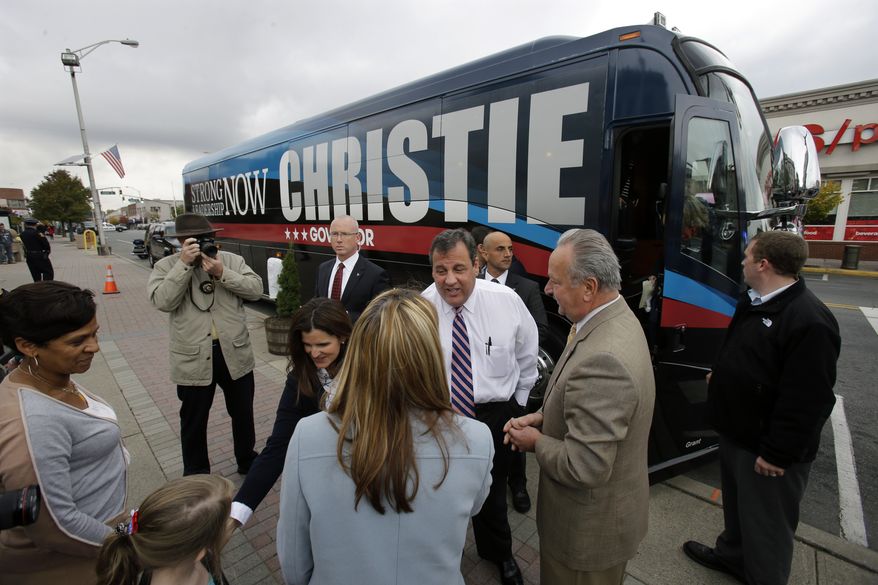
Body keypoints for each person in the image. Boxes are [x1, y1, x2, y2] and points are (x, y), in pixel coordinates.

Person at [276, 288, 493, 585]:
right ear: (431, 353)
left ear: (358, 353)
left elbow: (294, 555)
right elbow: (474, 505)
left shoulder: (308, 436)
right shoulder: (477, 439)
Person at [683, 231, 841, 585]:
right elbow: (748, 355)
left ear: (763, 264)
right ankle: (733, 556)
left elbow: (809, 400)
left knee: (767, 526)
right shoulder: (754, 300)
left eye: (746, 256)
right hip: (738, 432)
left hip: (767, 449)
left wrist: (777, 454)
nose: (741, 262)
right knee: (739, 511)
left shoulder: (810, 321)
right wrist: (720, 376)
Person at [504, 228, 655, 585]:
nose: (547, 289)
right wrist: (544, 417)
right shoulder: (611, 317)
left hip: (585, 540)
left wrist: (534, 442)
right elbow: (584, 402)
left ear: (588, 287)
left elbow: (583, 466)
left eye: (555, 281)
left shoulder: (605, 360)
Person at [422, 228, 538, 585]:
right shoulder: (422, 307)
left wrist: (517, 408)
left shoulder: (506, 301)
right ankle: (442, 562)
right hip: (442, 416)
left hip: (493, 416)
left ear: (476, 263)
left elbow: (527, 354)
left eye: (458, 268)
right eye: (441, 271)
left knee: (491, 493)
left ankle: (499, 553)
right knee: (439, 494)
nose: (450, 280)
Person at [0, 281, 128, 584]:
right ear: (28, 346)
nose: (94, 347)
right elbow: (55, 526)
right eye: (77, 341)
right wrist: (127, 547)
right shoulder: (32, 421)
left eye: (94, 334)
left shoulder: (50, 377)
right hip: (75, 564)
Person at [147, 212, 263, 476]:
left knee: (243, 412)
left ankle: (246, 457)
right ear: (180, 242)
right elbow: (162, 302)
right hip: (193, 357)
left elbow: (255, 290)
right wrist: (184, 265)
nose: (201, 243)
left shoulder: (231, 260)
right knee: (193, 420)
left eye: (206, 238)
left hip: (233, 351)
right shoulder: (166, 266)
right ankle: (197, 472)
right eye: (193, 240)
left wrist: (223, 272)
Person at [228, 298, 352, 532]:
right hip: (324, 479)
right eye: (308, 345)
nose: (314, 354)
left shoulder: (368, 369)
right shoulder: (300, 378)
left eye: (323, 344)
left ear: (343, 337)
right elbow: (277, 447)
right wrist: (236, 515)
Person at [476, 229, 547, 514]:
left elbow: (539, 329)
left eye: (510, 249)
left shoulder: (526, 288)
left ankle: (518, 484)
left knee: (515, 436)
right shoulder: (470, 283)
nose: (508, 254)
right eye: (500, 249)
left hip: (511, 380)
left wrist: (505, 344)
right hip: (478, 383)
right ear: (483, 252)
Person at [96, 474, 234, 585]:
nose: (229, 523)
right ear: (200, 551)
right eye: (226, 521)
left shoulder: (197, 560)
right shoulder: (200, 559)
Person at [314, 214, 390, 322]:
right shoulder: (323, 269)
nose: (339, 239)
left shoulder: (375, 274)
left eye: (345, 234)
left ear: (358, 237)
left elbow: (380, 315)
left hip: (355, 337)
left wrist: (344, 317)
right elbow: (317, 302)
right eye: (335, 234)